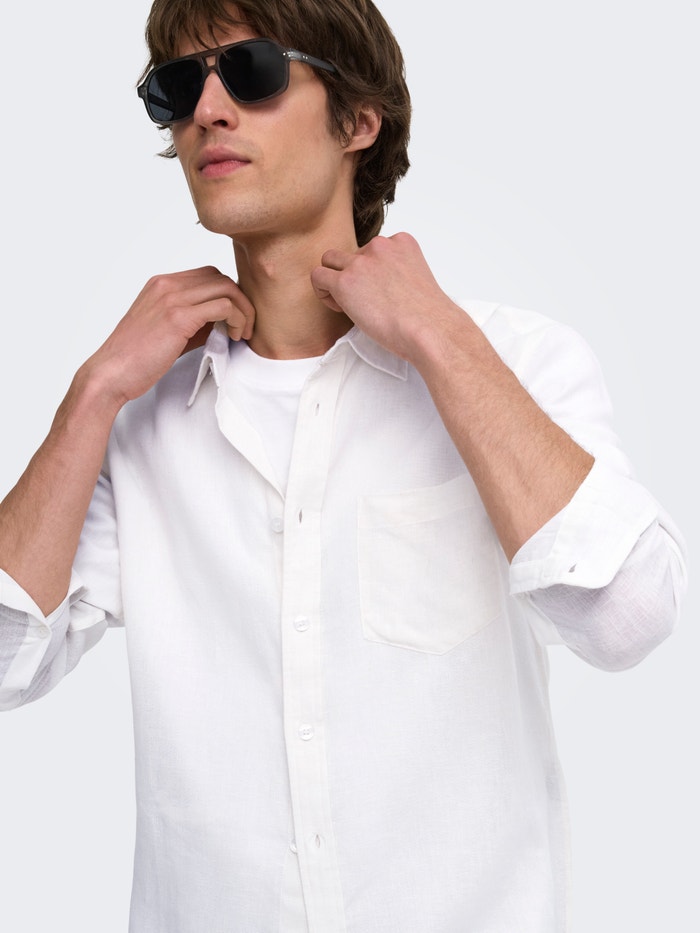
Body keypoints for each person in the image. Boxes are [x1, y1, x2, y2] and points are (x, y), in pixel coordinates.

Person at [0, 0, 687, 930]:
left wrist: (440, 338)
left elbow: (629, 619)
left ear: (359, 120)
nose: (207, 110)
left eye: (250, 70)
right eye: (178, 85)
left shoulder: (515, 363)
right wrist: (91, 394)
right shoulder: (141, 421)